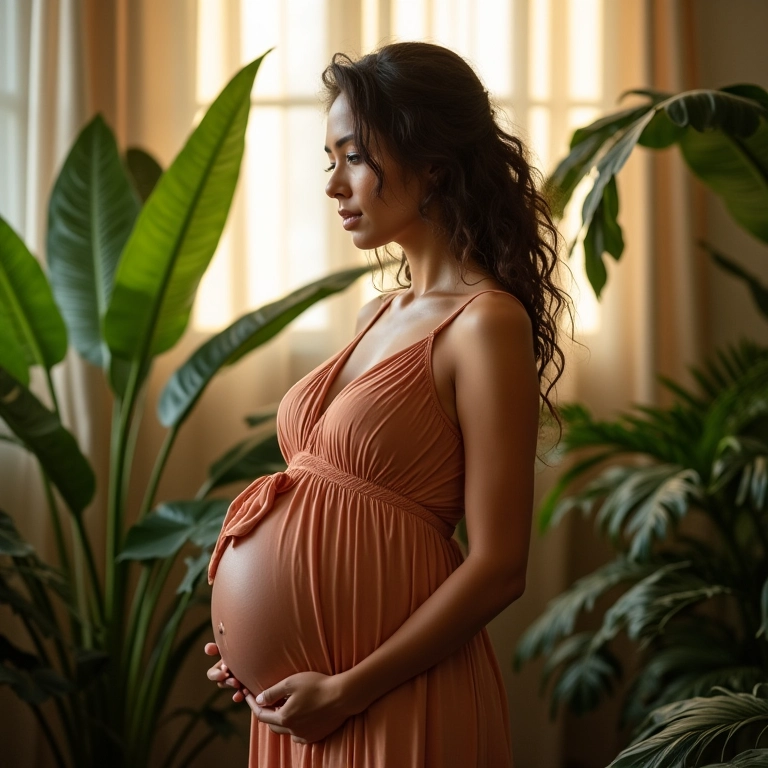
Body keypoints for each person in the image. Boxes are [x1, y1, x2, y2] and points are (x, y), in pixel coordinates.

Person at [204, 41, 568, 767]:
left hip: (390, 695)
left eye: (354, 157)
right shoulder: (376, 312)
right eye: (329, 160)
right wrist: (253, 644)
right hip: (305, 706)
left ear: (432, 162)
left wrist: (347, 690)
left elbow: (500, 565)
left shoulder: (486, 323)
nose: (334, 185)